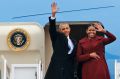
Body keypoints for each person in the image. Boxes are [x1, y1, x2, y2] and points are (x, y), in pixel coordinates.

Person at [44, 2, 77, 79]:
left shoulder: (74, 41)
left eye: (67, 28)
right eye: (63, 29)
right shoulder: (56, 37)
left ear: (70, 29)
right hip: (56, 70)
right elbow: (52, 29)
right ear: (60, 30)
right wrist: (53, 15)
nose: (65, 30)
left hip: (69, 72)